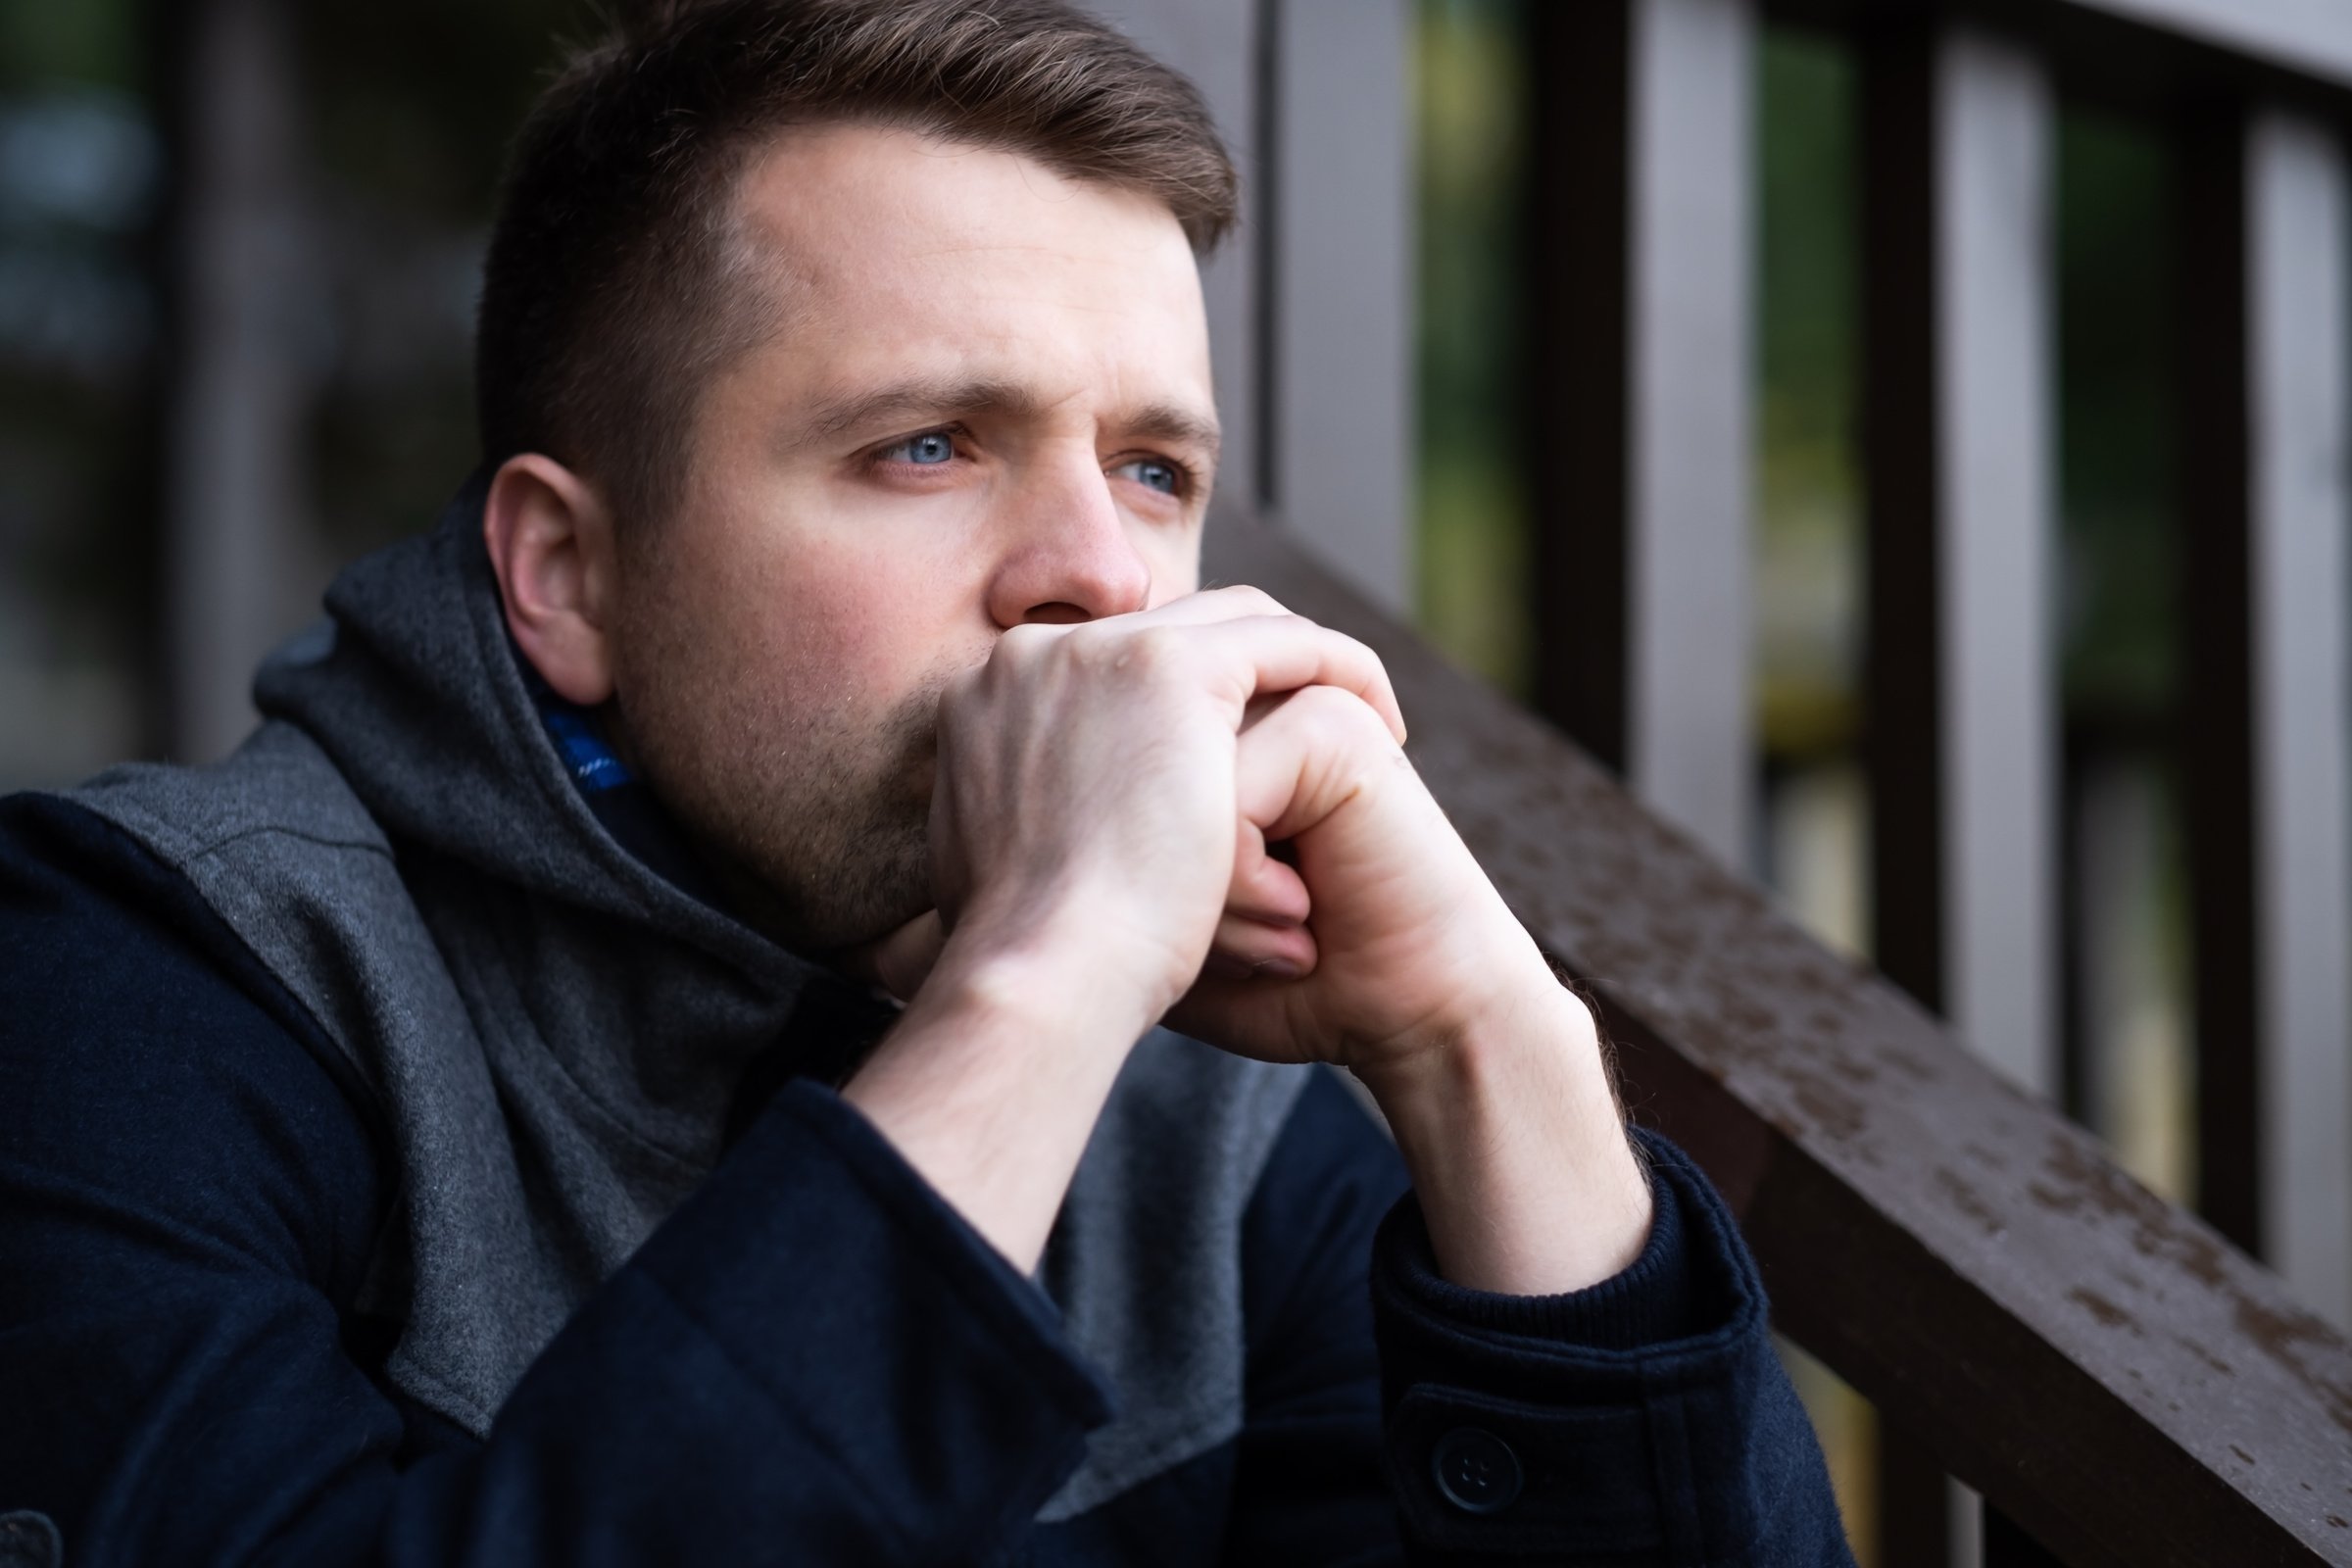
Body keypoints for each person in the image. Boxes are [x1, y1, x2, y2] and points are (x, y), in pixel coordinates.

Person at [0, 1, 1852, 1562]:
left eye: (1150, 469)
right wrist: (1036, 987)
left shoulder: (1219, 1123)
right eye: (931, 445)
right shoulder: (132, 980)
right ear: (569, 575)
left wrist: (1481, 1040)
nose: (1104, 581)